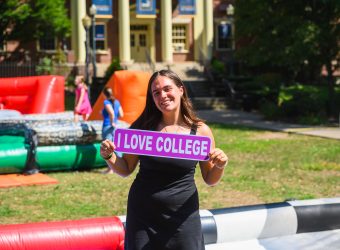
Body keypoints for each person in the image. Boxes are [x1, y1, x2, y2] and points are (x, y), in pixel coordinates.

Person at [100, 70, 228, 250]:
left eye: (168, 89)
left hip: (183, 218)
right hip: (143, 216)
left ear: (181, 90)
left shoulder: (200, 131)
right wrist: (109, 155)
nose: (163, 96)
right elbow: (126, 168)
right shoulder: (142, 127)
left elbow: (210, 179)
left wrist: (220, 165)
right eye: (156, 92)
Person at [101, 86, 124, 174]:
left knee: (107, 147)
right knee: (116, 147)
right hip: (115, 127)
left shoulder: (106, 101)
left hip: (108, 126)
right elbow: (121, 114)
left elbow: (111, 113)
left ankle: (110, 169)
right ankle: (119, 167)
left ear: (104, 94)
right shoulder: (117, 102)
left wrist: (112, 122)